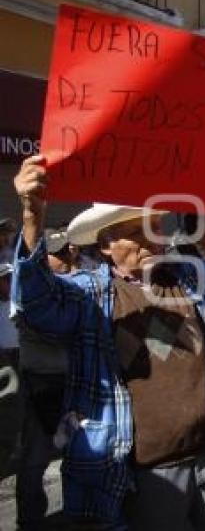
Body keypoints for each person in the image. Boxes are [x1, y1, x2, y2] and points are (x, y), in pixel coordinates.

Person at [11, 154, 205, 529]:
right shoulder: (91, 295)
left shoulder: (191, 278)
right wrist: (32, 220)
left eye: (155, 226)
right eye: (136, 231)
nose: (151, 239)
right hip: (149, 477)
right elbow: (36, 303)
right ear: (107, 245)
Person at [15, 226, 85, 529]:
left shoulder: (81, 286)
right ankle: (29, 521)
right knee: (34, 462)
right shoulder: (30, 291)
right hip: (41, 386)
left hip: (75, 382)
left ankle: (80, 514)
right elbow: (51, 329)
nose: (61, 258)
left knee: (81, 454)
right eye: (52, 254)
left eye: (64, 251)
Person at [0, 261, 21, 480]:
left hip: (20, 355)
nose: (10, 283)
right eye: (6, 279)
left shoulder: (18, 301)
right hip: (4, 360)